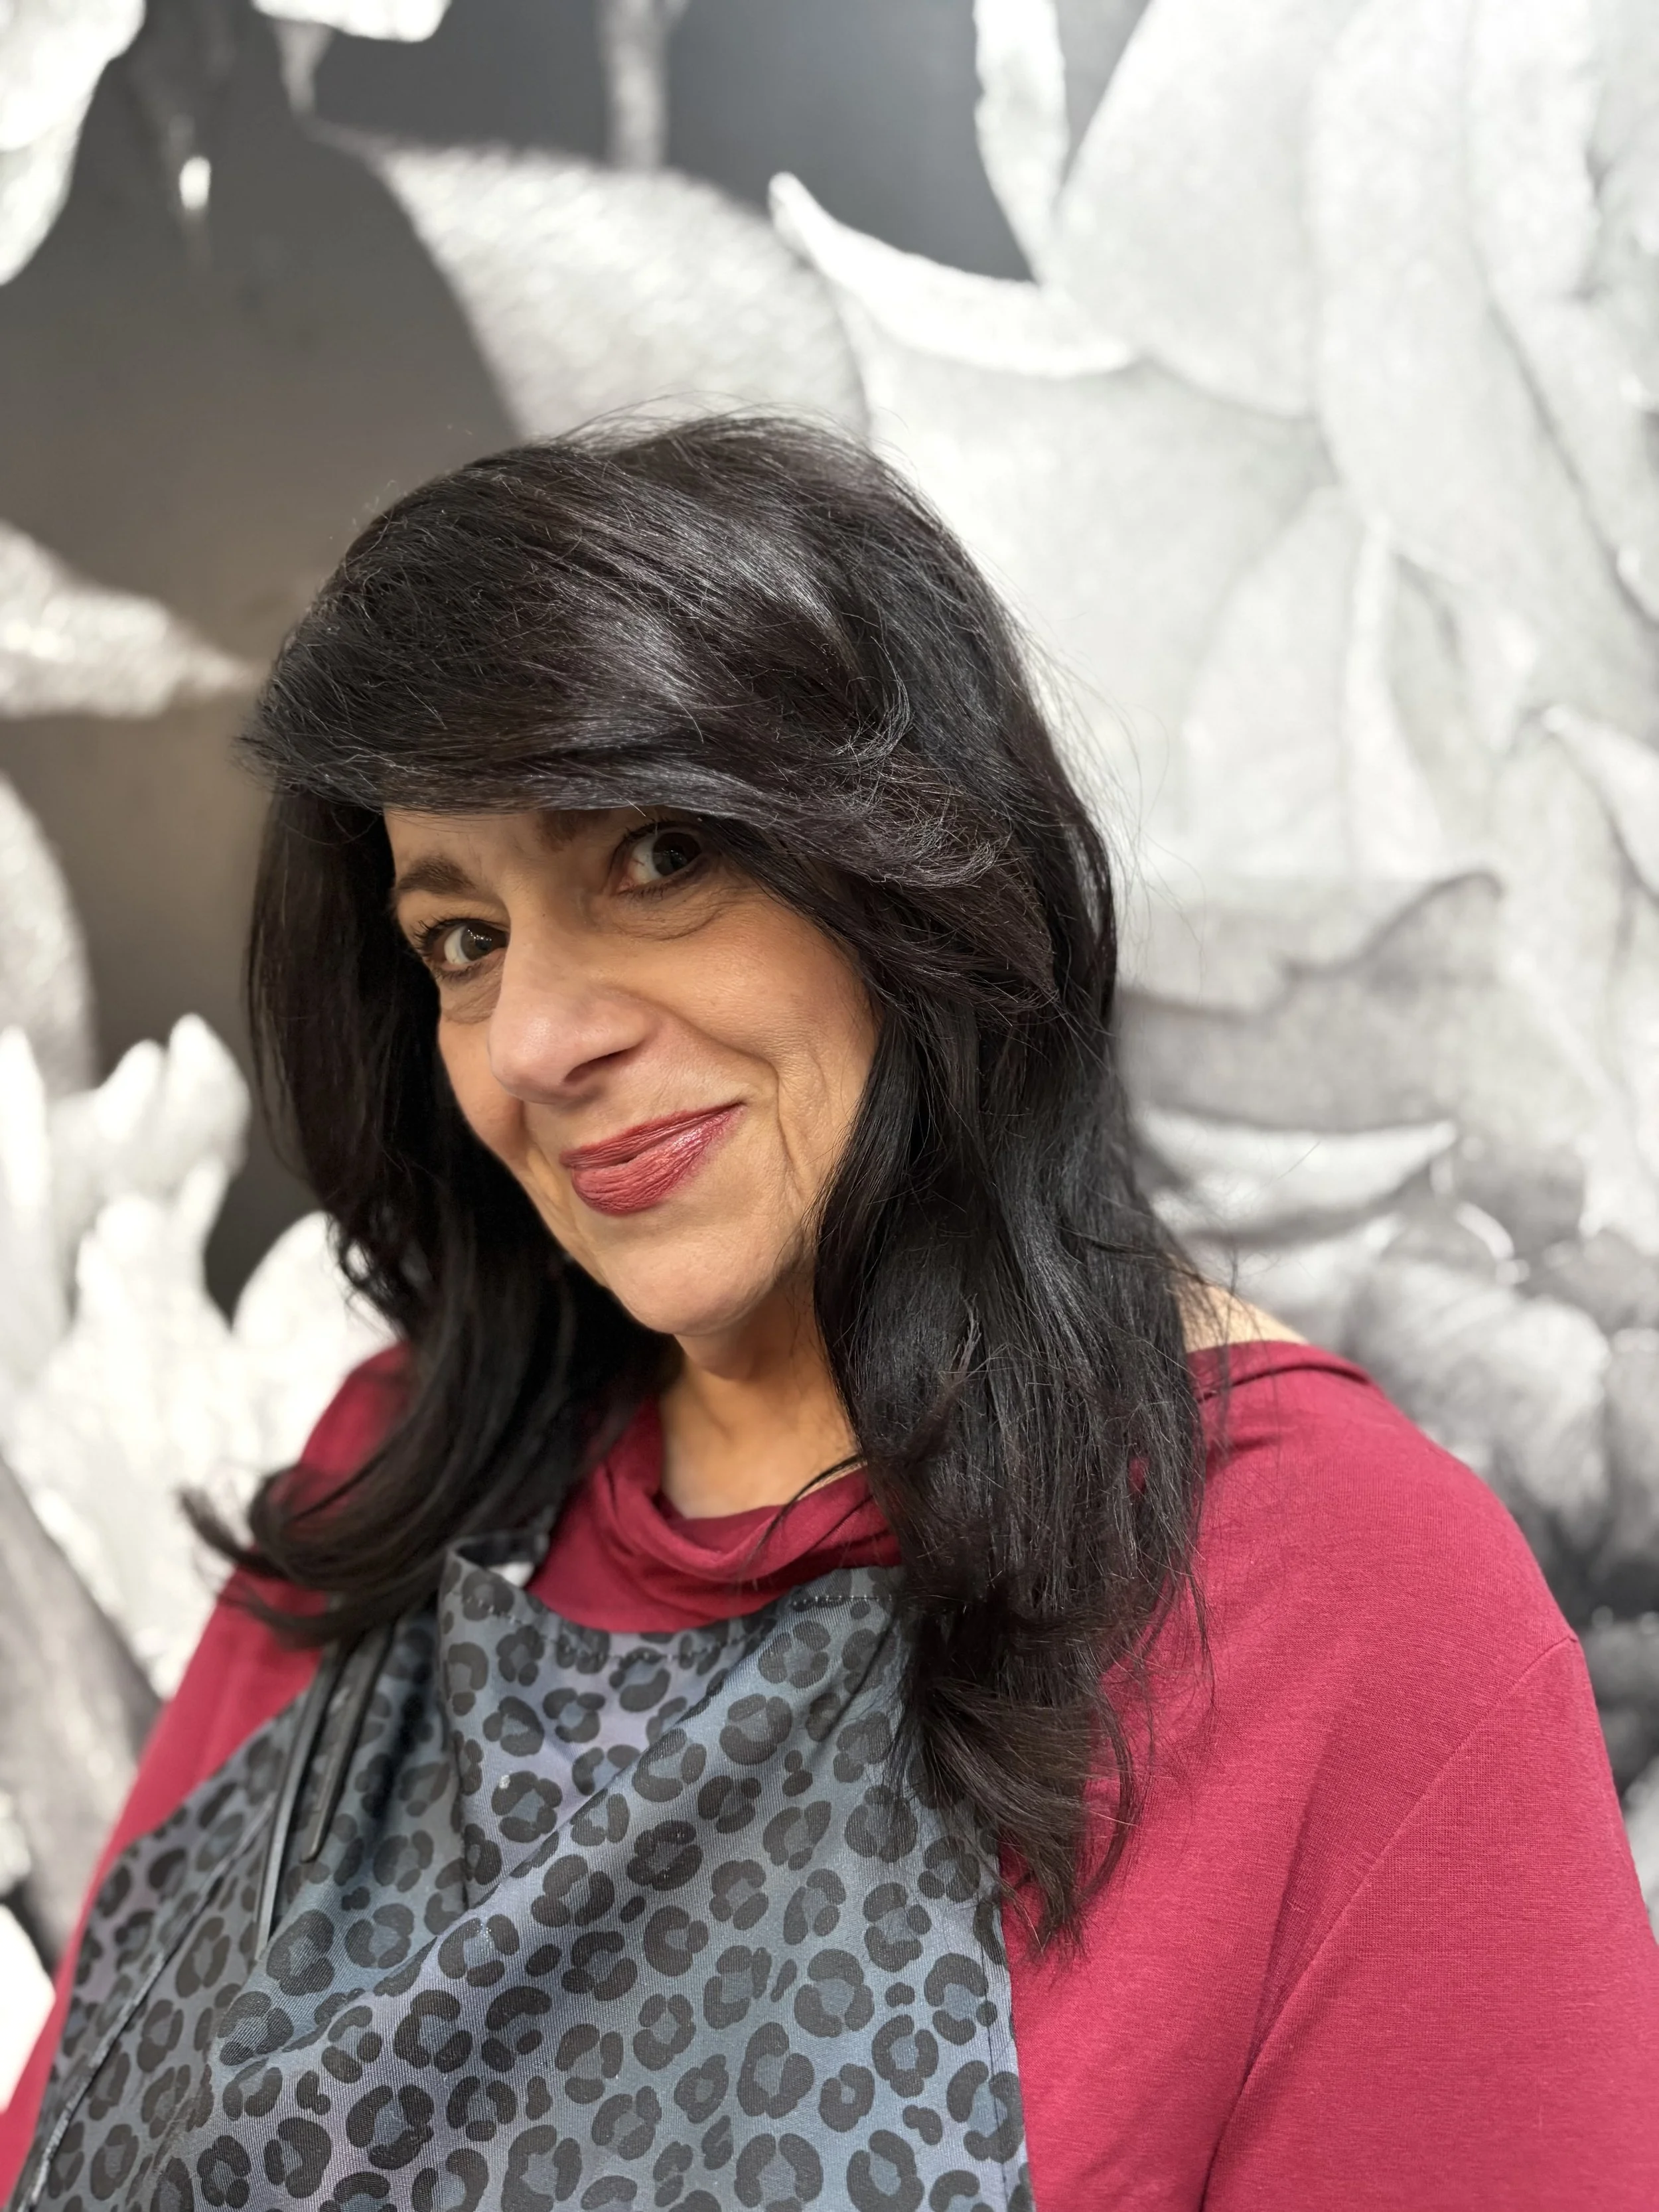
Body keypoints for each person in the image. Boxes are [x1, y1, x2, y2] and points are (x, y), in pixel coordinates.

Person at [3, 416, 1655, 2212]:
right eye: (462, 936)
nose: (544, 1039)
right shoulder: (397, 1471)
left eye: (653, 857)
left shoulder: (1338, 1598)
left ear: (916, 867)